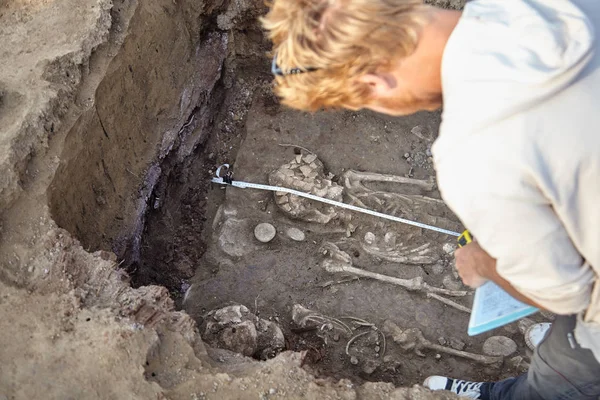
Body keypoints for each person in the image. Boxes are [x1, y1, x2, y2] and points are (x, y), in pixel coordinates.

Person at [261, 0, 600, 398]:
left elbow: (568, 294)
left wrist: (486, 265)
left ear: (378, 81)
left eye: (364, 102)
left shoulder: (474, 154)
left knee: (557, 382)